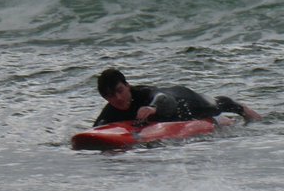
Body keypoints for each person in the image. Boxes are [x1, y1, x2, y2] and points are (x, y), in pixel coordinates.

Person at [93, 68, 262, 127]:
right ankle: (221, 121)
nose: (117, 98)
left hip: (182, 100)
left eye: (120, 90)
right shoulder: (110, 110)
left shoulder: (144, 94)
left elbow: (164, 98)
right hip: (168, 116)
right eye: (109, 96)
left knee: (215, 105)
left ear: (127, 85)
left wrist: (152, 108)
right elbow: (95, 130)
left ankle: (244, 109)